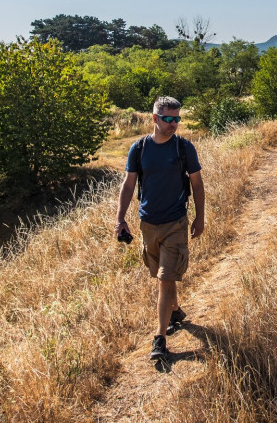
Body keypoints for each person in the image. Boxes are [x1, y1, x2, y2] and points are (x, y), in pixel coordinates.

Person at [116, 96, 204, 362]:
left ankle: (159, 339)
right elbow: (129, 185)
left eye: (177, 118)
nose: (174, 124)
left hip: (176, 223)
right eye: (168, 119)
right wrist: (120, 219)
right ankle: (175, 312)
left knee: (165, 280)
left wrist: (200, 218)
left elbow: (197, 185)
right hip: (148, 225)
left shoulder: (184, 149)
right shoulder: (139, 148)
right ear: (154, 118)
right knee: (162, 275)